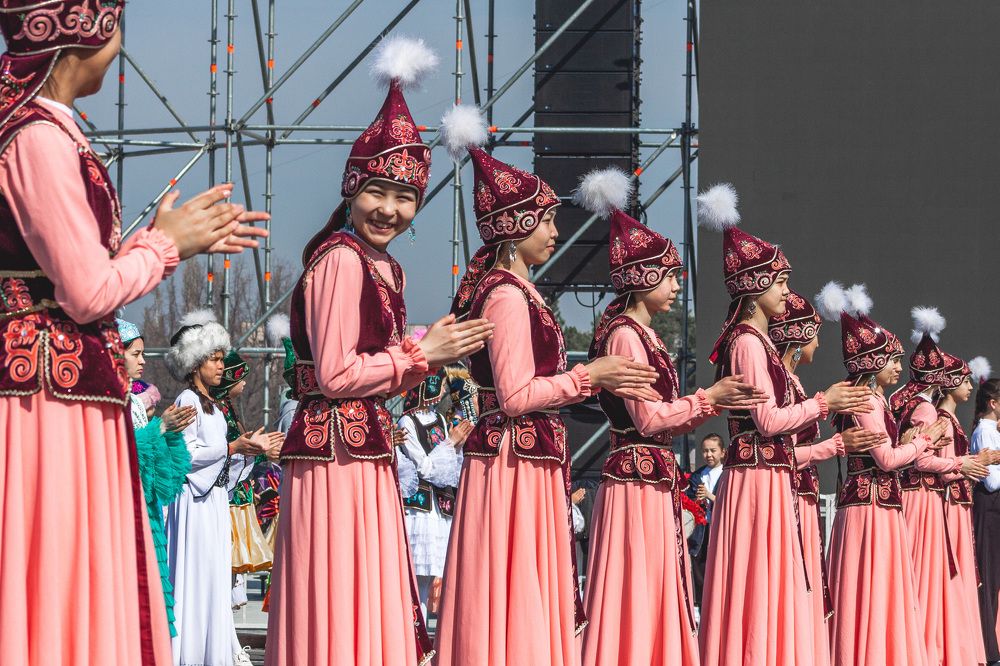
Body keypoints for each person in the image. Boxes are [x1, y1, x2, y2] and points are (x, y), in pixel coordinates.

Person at [0, 2, 266, 662]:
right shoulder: (37, 137)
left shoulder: (45, 128)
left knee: (66, 563)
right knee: (59, 560)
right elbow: (87, 290)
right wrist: (165, 246)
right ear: (87, 33)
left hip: (63, 386)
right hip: (47, 394)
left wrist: (161, 244)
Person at [264, 37, 494, 666]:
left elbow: (372, 370)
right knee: (342, 595)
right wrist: (421, 356)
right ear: (352, 189)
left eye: (405, 197)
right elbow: (337, 374)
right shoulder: (342, 260)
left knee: (359, 594)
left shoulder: (382, 266)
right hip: (335, 449)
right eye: (378, 192)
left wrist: (426, 352)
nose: (390, 210)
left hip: (358, 445)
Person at [434, 105, 659, 666]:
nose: (556, 232)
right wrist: (590, 376)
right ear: (516, 227)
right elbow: (515, 396)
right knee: (516, 591)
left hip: (525, 458)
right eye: (546, 221)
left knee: (522, 590)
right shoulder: (508, 296)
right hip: (513, 460)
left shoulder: (518, 292)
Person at [574, 168, 767, 666]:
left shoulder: (645, 335)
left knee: (654, 587)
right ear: (643, 279)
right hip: (635, 479)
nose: (678, 286)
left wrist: (710, 402)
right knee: (638, 590)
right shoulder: (626, 335)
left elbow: (662, 417)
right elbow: (648, 420)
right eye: (670, 276)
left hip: (649, 477)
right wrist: (708, 399)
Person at [696, 188, 870, 666]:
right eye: (780, 283)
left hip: (767, 477)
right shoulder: (749, 343)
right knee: (761, 584)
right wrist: (824, 404)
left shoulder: (757, 343)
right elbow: (768, 421)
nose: (786, 293)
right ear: (755, 287)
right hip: (757, 480)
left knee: (772, 583)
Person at [818, 282, 947, 666]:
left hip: (873, 502)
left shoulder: (874, 400)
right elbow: (887, 460)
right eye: (893, 360)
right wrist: (924, 440)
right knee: (873, 588)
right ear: (873, 362)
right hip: (871, 507)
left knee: (874, 589)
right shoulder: (869, 401)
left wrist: (911, 442)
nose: (898, 368)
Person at [768, 288, 885, 666]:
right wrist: (834, 445)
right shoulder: (784, 385)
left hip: (801, 496)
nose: (818, 344)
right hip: (790, 496)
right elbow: (783, 453)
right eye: (815, 335)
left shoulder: (793, 384)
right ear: (798, 338)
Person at [164, 311, 279, 666]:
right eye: (213, 359)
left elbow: (221, 462)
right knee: (196, 575)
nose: (219, 366)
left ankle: (212, 652)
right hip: (194, 503)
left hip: (213, 500)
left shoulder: (213, 407)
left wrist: (249, 451)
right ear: (195, 363)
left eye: (219, 359)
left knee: (214, 574)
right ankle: (189, 653)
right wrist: (232, 448)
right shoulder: (188, 401)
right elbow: (186, 456)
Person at [890, 307, 988, 665]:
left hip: (920, 495)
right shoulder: (929, 412)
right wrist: (965, 464)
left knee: (922, 576)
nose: (967, 387)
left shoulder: (910, 406)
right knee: (924, 576)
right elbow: (924, 462)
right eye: (961, 379)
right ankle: (926, 649)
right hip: (923, 498)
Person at [119, 318, 194, 639]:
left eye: (143, 354)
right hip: (123, 515)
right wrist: (160, 428)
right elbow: (119, 453)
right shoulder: (109, 403)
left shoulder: (133, 402)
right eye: (135, 354)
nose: (142, 361)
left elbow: (163, 479)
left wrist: (169, 433)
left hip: (146, 513)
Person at [396, 368, 470, 617]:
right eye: (440, 385)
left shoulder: (439, 419)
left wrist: (457, 445)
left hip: (439, 508)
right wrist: (451, 443)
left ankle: (421, 630)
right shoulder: (407, 422)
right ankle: (412, 629)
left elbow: (450, 466)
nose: (443, 391)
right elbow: (424, 467)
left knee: (429, 578)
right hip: (419, 509)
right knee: (414, 577)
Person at [971, 370, 1000, 662]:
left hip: (995, 510)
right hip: (989, 509)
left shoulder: (993, 432)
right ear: (993, 403)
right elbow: (990, 481)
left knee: (995, 579)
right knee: (988, 578)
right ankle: (987, 648)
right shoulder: (984, 432)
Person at [687, 434, 726, 603]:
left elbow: (732, 503)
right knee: (700, 569)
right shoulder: (697, 476)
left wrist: (710, 496)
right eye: (705, 451)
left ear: (722, 452)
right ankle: (701, 607)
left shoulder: (728, 475)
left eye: (712, 450)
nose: (708, 455)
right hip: (701, 530)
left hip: (720, 528)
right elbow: (688, 502)